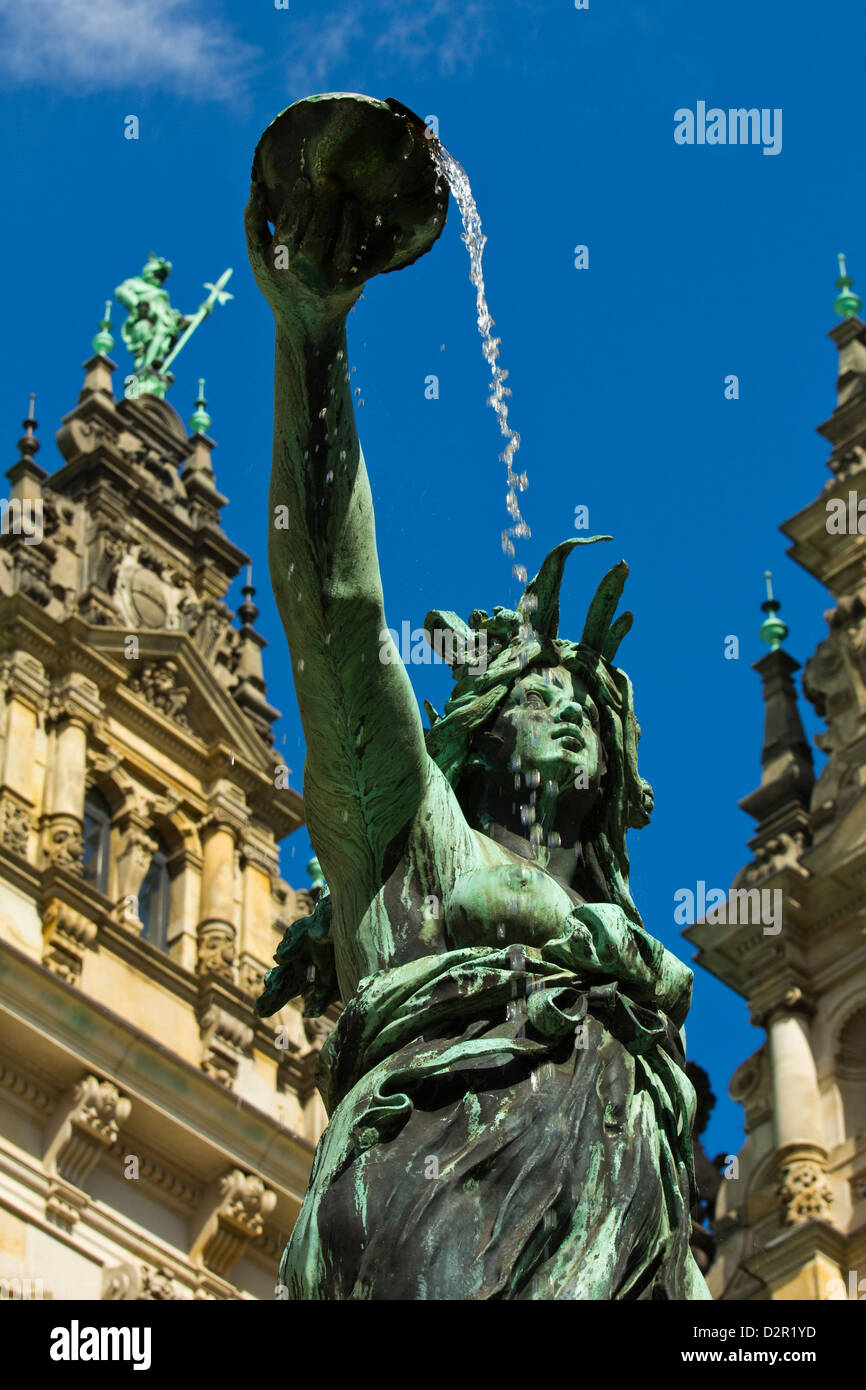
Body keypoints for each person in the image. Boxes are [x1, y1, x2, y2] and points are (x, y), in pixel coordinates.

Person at [246, 105, 711, 1300]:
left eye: (589, 706)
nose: (566, 712)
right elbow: (337, 617)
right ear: (479, 735)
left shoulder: (639, 983)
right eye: (537, 693)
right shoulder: (419, 849)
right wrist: (312, 345)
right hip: (431, 1218)